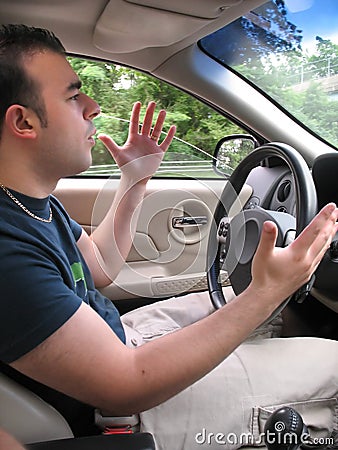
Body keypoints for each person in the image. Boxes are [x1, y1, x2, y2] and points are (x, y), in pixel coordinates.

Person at [0, 23, 337, 450]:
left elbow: (99, 268)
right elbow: (125, 384)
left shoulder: (29, 202)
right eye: (73, 95)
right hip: (124, 410)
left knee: (272, 314)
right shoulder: (7, 250)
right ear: (24, 121)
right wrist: (268, 290)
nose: (93, 107)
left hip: (118, 340)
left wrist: (135, 181)